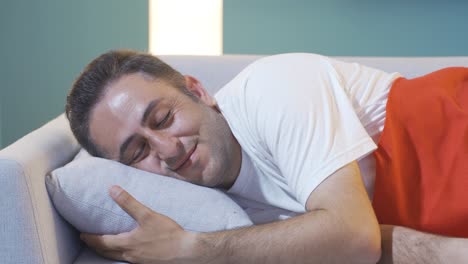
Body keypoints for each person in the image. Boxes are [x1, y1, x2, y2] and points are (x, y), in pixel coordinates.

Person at [65, 50, 468, 263]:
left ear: (198, 91)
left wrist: (191, 251)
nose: (168, 150)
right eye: (138, 152)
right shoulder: (224, 213)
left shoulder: (271, 86)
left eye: (164, 118)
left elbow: (354, 239)